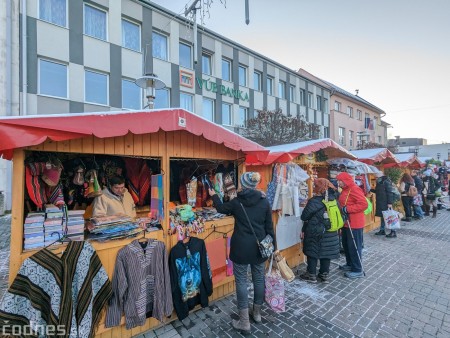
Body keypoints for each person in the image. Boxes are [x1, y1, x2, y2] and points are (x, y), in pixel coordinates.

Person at [208, 172, 274, 335]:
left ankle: (244, 322)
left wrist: (214, 195)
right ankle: (257, 314)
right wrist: (272, 247)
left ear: (243, 185)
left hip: (241, 248)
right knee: (259, 278)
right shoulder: (264, 201)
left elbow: (222, 208)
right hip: (260, 248)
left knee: (242, 282)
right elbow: (269, 228)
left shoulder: (237, 202)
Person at [300, 178, 340, 284]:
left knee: (312, 251)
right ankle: (324, 274)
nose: (314, 187)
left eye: (315, 186)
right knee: (326, 252)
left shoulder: (315, 201)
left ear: (319, 187)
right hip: (331, 231)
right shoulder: (334, 198)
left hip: (315, 231)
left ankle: (311, 274)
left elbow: (304, 216)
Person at [336, 172, 368, 279]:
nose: (338, 183)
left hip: (354, 222)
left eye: (340, 181)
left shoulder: (354, 189)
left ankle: (357, 269)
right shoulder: (345, 190)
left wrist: (348, 209)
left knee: (354, 246)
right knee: (346, 244)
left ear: (345, 181)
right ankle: (350, 264)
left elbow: (363, 204)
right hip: (346, 222)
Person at [371, 172, 395, 237]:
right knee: (383, 216)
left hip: (386, 202)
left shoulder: (386, 181)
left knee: (389, 216)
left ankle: (393, 231)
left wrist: (389, 203)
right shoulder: (380, 182)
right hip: (381, 202)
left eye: (376, 176)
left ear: (380, 175)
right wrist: (371, 190)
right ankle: (382, 230)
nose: (375, 177)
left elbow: (390, 192)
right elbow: (379, 191)